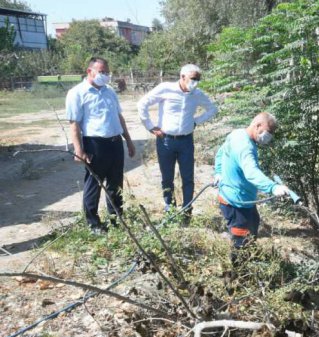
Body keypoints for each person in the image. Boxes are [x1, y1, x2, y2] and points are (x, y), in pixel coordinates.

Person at [137, 64, 217, 222]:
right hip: (166, 140)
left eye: (198, 79)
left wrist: (196, 122)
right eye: (193, 79)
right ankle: (170, 209)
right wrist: (150, 126)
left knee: (188, 178)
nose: (196, 82)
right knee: (167, 178)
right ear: (182, 77)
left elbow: (212, 109)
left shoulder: (197, 94)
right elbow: (142, 104)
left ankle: (187, 210)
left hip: (186, 141)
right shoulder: (166, 88)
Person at [67, 57, 136, 234]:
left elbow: (119, 117)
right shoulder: (77, 93)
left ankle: (116, 219)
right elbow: (74, 124)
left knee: (115, 184)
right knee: (94, 184)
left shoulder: (109, 91)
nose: (105, 75)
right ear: (90, 71)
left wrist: (128, 140)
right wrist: (79, 150)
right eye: (102, 72)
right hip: (95, 145)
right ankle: (93, 224)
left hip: (115, 143)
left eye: (107, 72)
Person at [214, 112, 290, 248]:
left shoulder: (237, 134)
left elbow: (220, 153)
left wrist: (218, 172)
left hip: (244, 200)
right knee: (241, 244)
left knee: (253, 227)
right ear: (258, 125)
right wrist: (273, 188)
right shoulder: (246, 147)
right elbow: (251, 172)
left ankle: (246, 258)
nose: (269, 136)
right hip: (236, 203)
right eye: (268, 131)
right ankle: (238, 268)